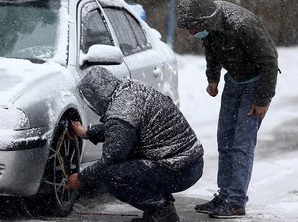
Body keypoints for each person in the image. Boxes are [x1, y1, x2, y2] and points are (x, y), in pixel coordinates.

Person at [177, 0, 279, 219]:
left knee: (241, 143)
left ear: (205, 21)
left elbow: (269, 60)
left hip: (255, 83)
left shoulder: (241, 25)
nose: (191, 33)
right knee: (225, 139)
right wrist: (212, 78)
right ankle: (224, 195)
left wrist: (262, 99)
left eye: (193, 29)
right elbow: (212, 51)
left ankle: (235, 202)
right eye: (189, 30)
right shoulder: (210, 26)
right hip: (233, 81)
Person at [65, 66, 204, 222]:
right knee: (132, 161)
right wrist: (87, 133)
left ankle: (162, 211)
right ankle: (157, 211)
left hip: (180, 169)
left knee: (111, 175)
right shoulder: (128, 91)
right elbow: (120, 129)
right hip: (189, 163)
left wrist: (82, 178)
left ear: (96, 97)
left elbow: (113, 156)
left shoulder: (121, 110)